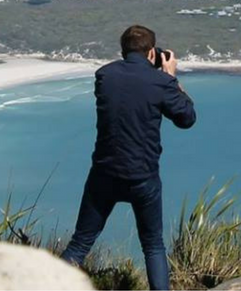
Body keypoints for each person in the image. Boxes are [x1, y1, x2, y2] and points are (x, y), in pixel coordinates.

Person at [61, 25, 197, 290]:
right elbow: (187, 118)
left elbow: (126, 92)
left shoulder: (104, 76)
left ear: (123, 51)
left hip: (104, 174)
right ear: (151, 54)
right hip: (142, 177)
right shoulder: (161, 83)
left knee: (79, 245)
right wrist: (171, 77)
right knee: (153, 246)